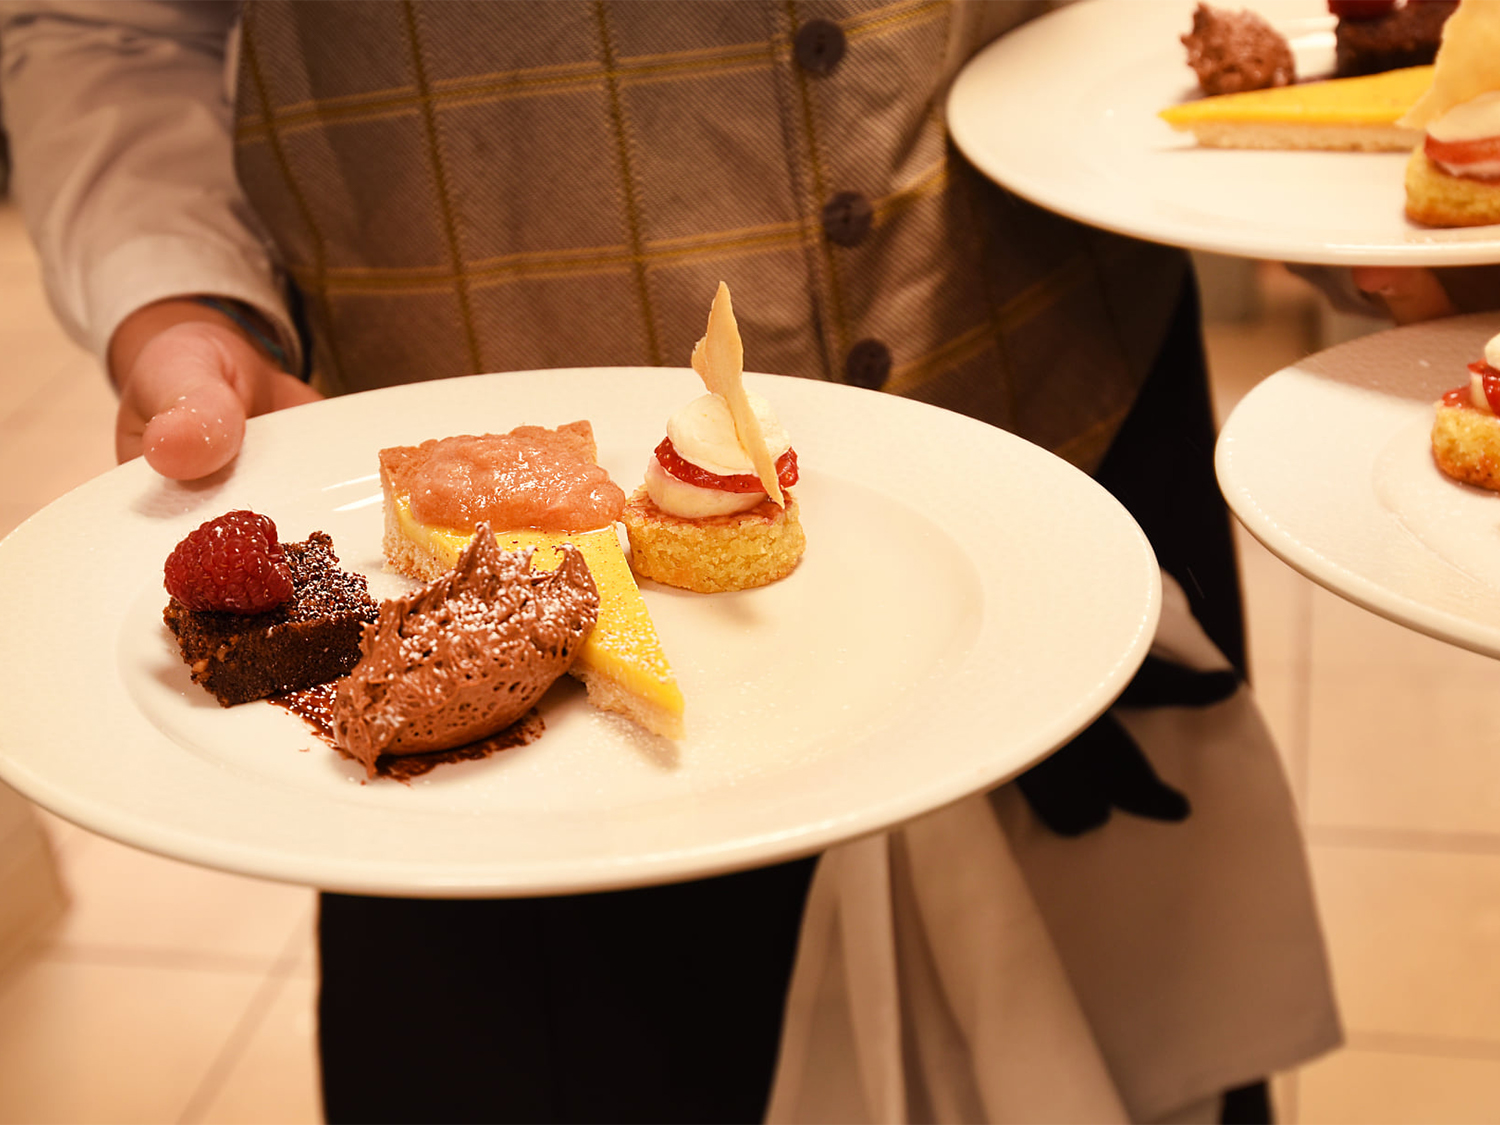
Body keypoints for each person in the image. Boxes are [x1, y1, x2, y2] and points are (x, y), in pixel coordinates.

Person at [0, 2, 1344, 1121]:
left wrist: (1347, 147)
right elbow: (105, 24)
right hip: (501, 755)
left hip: (1076, 464)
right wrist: (173, 298)